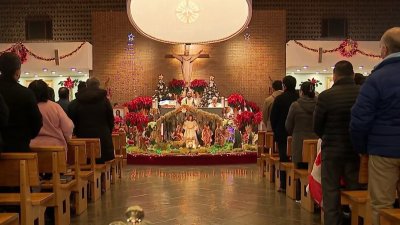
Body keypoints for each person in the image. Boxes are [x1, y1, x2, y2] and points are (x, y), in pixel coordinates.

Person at [350, 27, 400, 225]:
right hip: (383, 148)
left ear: (385, 50)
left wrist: (362, 148)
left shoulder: (376, 79)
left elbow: (360, 119)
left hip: (383, 152)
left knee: (381, 205)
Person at [314, 60, 360, 225]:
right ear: (352, 75)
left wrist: (327, 136)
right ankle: (358, 220)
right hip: (355, 150)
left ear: (334, 76)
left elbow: (317, 126)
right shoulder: (361, 93)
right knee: (356, 190)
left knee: (331, 192)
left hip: (332, 150)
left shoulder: (326, 96)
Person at [0, 52, 42, 152]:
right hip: (19, 147)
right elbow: (37, 121)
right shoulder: (26, 93)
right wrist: (26, 136)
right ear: (17, 71)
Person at [68, 77, 115, 163]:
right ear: (98, 85)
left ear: (87, 85)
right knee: (101, 163)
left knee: (84, 162)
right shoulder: (104, 101)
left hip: (82, 139)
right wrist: (108, 131)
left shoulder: (77, 101)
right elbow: (111, 120)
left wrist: (76, 131)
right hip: (102, 140)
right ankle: (102, 176)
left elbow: (71, 120)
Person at [270, 76, 299, 192]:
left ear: (284, 86)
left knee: (283, 158)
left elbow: (273, 117)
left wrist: (276, 130)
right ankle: (296, 187)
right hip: (296, 134)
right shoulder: (299, 98)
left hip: (282, 133)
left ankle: (283, 184)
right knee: (297, 158)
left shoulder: (280, 99)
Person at [28, 80, 74, 151]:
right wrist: (67, 139)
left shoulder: (27, 107)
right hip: (55, 147)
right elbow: (68, 127)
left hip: (31, 147)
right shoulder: (55, 106)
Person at [285, 81, 317, 167]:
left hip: (299, 146)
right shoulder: (319, 105)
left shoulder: (295, 105)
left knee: (298, 169)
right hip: (316, 146)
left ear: (301, 92)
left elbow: (288, 126)